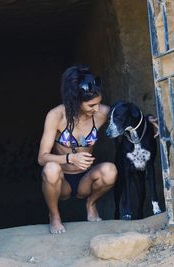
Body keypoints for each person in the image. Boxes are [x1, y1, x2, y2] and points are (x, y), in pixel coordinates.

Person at [37, 64, 117, 234]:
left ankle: (91, 204)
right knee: (50, 169)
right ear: (76, 102)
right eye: (91, 105)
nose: (96, 108)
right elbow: (42, 158)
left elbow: (127, 116)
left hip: (85, 181)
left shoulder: (102, 113)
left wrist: (149, 121)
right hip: (62, 182)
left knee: (110, 171)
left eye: (98, 103)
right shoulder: (56, 116)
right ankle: (55, 216)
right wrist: (70, 159)